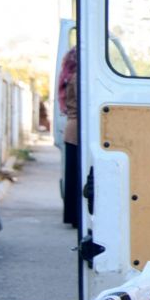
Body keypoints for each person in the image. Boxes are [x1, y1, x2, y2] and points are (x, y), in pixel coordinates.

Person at [56, 46, 80, 228]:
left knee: (72, 175)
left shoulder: (69, 77)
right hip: (77, 130)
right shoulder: (78, 78)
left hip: (72, 129)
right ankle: (76, 217)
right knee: (76, 176)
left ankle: (72, 216)